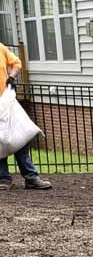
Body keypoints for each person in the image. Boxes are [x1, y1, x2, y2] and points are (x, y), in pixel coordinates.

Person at [0, 41, 51, 190]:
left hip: (6, 100)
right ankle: (3, 178)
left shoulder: (1, 48)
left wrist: (11, 78)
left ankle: (31, 177)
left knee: (20, 136)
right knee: (1, 140)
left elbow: (16, 63)